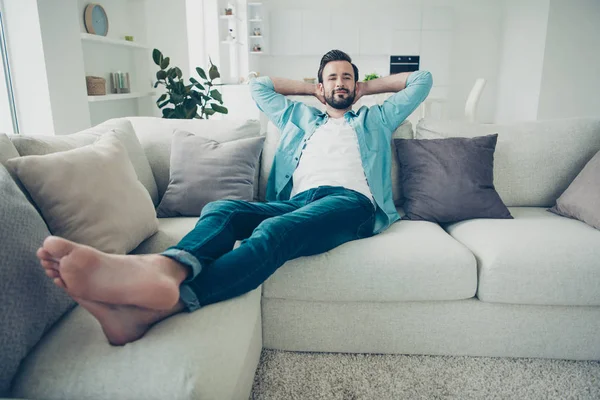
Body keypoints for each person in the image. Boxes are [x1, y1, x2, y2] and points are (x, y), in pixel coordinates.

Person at [37, 49, 432, 346]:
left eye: (347, 77)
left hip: (352, 203)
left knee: (276, 231)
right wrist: (311, 90)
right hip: (300, 200)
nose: (340, 83)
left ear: (357, 86)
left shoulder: (376, 118)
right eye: (332, 78)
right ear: (320, 85)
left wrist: (366, 88)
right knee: (222, 208)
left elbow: (422, 80)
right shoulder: (299, 117)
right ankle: (167, 271)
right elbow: (258, 86)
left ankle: (171, 300)